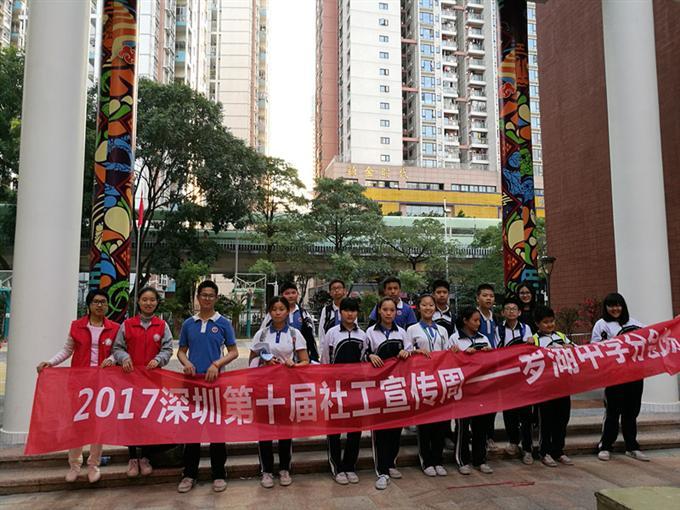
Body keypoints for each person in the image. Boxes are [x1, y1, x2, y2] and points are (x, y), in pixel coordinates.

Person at [36, 289, 120, 484]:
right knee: (77, 423)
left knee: (98, 424)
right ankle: (74, 464)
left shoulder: (115, 328)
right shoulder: (77, 326)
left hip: (102, 383)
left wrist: (111, 359)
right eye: (96, 302)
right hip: (79, 383)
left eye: (103, 302)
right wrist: (50, 362)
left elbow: (119, 351)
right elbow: (67, 350)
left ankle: (93, 465)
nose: (100, 305)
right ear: (89, 305)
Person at [176, 280, 239, 493]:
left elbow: (233, 351)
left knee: (216, 431)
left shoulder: (223, 323)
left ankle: (219, 474)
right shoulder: (189, 324)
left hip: (215, 385)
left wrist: (216, 364)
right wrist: (186, 363)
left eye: (211, 295)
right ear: (198, 297)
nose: (207, 299)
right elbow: (181, 351)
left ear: (216, 298)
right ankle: (189, 474)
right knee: (191, 431)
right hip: (192, 385)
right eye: (203, 295)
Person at [112, 286, 174, 477]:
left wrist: (159, 359)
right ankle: (133, 458)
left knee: (149, 418)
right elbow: (117, 347)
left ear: (157, 302)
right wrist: (124, 358)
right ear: (138, 302)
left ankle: (146, 457)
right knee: (130, 418)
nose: (148, 303)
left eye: (152, 300)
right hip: (130, 380)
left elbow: (168, 349)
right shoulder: (127, 325)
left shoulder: (162, 326)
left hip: (153, 382)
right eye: (145, 299)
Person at [249, 296, 310, 488]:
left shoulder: (294, 334)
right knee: (264, 430)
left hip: (285, 388)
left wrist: (294, 365)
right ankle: (266, 470)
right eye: (274, 309)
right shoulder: (261, 335)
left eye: (281, 309)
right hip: (264, 389)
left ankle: (284, 468)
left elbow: (305, 361)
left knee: (285, 430)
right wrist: (264, 361)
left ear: (287, 311)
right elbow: (251, 361)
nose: (277, 312)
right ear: (269, 311)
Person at [591, 293, 649, 462]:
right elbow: (595, 347)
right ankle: (605, 446)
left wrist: (674, 324)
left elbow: (654, 335)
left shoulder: (634, 322)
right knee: (613, 411)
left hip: (635, 374)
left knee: (631, 411)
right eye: (611, 305)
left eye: (618, 305)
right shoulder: (601, 324)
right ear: (606, 308)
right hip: (614, 375)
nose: (615, 309)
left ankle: (632, 447)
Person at [366, 296, 411, 490]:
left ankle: (391, 463)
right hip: (377, 388)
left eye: (392, 310)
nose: (388, 313)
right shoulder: (370, 332)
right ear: (379, 311)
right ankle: (382, 471)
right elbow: (364, 354)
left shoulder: (402, 332)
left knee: (395, 429)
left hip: (397, 388)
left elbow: (410, 354)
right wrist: (370, 355)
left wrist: (406, 354)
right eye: (385, 309)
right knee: (380, 431)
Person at [321, 297, 366, 485]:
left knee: (355, 429)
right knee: (334, 429)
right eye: (346, 310)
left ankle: (349, 466)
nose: (350, 314)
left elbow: (364, 360)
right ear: (340, 313)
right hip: (335, 388)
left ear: (357, 313)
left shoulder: (363, 335)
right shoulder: (331, 334)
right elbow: (325, 360)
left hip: (355, 389)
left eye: (353, 311)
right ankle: (337, 467)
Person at [407, 294, 451, 477]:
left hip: (440, 380)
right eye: (424, 305)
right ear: (419, 308)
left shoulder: (442, 330)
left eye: (431, 305)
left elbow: (447, 353)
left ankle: (438, 460)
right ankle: (426, 461)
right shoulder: (412, 329)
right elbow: (407, 352)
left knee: (440, 423)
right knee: (425, 424)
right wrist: (416, 351)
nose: (428, 308)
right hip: (422, 380)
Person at [450, 306, 495, 475]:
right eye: (475, 320)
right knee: (463, 427)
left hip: (481, 389)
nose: (477, 324)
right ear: (465, 320)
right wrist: (462, 354)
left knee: (481, 427)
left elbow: (492, 363)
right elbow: (450, 361)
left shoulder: (484, 338)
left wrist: (488, 353)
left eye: (479, 321)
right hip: (463, 390)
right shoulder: (454, 338)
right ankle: (462, 460)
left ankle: (480, 460)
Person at [532, 306, 574, 468]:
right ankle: (545, 452)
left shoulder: (562, 336)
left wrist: (570, 348)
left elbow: (576, 351)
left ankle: (558, 450)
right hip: (545, 387)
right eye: (545, 322)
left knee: (562, 419)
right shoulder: (533, 340)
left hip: (563, 385)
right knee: (546, 421)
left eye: (551, 321)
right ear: (537, 324)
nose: (549, 325)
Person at [497, 297, 534, 464]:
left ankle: (527, 449)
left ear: (519, 312)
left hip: (523, 376)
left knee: (526, 414)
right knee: (509, 411)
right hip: (506, 376)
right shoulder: (499, 330)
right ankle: (513, 442)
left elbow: (529, 349)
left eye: (514, 309)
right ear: (503, 312)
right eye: (508, 308)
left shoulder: (526, 328)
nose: (511, 311)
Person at [259, 281, 319, 362]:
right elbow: (262, 334)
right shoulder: (272, 315)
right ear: (281, 295)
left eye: (293, 293)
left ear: (297, 294)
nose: (291, 296)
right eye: (287, 293)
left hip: (300, 358)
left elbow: (312, 335)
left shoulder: (304, 314)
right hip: (276, 359)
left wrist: (313, 356)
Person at [476, 283, 499, 452]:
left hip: (493, 365)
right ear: (478, 298)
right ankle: (479, 436)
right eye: (485, 295)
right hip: (477, 367)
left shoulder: (495, 318)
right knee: (479, 403)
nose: (488, 298)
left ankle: (490, 436)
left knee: (493, 402)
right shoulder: (474, 317)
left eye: (491, 296)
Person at [318, 279, 348, 364]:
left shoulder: (349, 309)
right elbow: (322, 332)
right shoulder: (326, 310)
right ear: (330, 293)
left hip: (346, 348)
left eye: (339, 288)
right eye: (334, 289)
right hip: (330, 350)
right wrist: (322, 352)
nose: (337, 290)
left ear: (344, 291)